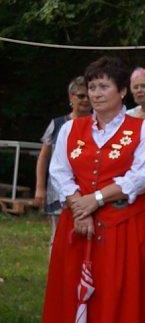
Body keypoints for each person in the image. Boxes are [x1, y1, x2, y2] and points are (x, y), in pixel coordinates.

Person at [36, 56, 145, 323]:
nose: (95, 93)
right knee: (86, 303)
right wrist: (80, 209)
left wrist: (94, 200)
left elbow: (141, 177)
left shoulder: (143, 130)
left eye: (104, 86)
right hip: (79, 230)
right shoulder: (70, 129)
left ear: (122, 91)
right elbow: (60, 172)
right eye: (92, 87)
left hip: (123, 228)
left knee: (119, 303)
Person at [35, 76, 91, 247]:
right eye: (81, 96)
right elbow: (44, 157)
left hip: (88, 191)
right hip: (58, 191)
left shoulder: (99, 124)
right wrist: (40, 187)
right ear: (71, 98)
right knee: (58, 237)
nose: (85, 100)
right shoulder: (57, 124)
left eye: (88, 96)